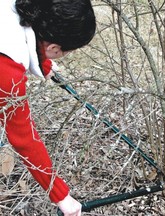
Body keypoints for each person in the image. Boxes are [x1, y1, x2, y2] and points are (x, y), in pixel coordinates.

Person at [0, 0, 96, 215]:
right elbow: (24, 139)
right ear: (53, 47)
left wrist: (42, 64)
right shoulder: (6, 72)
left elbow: (28, 33)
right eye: (65, 52)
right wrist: (61, 195)